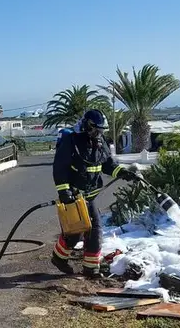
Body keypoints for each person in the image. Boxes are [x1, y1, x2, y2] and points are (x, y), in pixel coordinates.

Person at [50, 109, 141, 278]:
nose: (97, 133)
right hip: (74, 196)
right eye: (95, 130)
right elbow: (59, 168)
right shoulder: (72, 141)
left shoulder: (100, 142)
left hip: (89, 196)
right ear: (86, 125)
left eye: (100, 130)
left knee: (93, 229)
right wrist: (64, 192)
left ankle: (90, 268)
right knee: (75, 232)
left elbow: (107, 164)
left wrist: (124, 173)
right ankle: (60, 258)